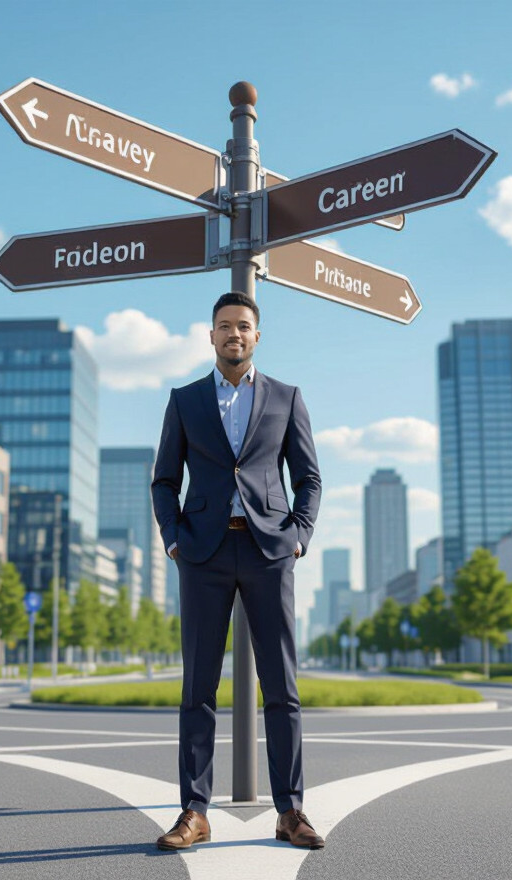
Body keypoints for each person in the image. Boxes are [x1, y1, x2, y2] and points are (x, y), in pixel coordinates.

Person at [151, 290, 324, 851]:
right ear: (211, 335)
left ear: (257, 335)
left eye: (244, 326)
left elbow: (309, 478)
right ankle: (194, 812)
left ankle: (290, 811)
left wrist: (298, 536)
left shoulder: (287, 397)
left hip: (269, 551)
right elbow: (163, 481)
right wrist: (174, 540)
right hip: (201, 554)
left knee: (282, 688)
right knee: (197, 689)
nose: (234, 334)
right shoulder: (184, 400)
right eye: (224, 326)